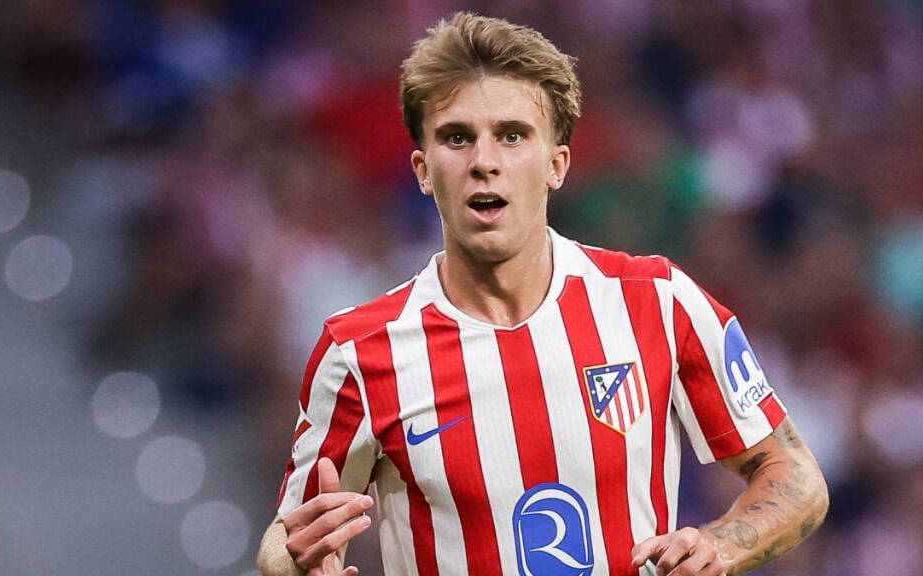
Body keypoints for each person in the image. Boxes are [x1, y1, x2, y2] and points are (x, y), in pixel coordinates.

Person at [258, 12, 828, 576]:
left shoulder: (657, 301)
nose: (484, 162)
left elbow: (795, 474)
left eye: (512, 136)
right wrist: (297, 564)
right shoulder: (360, 352)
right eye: (457, 138)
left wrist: (720, 546)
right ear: (423, 169)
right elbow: (287, 537)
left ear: (556, 164)